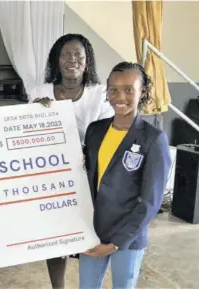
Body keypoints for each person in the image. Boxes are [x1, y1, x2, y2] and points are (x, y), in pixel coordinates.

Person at [29, 34, 114, 289]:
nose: (72, 59)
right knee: (55, 238)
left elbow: (106, 135)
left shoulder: (99, 94)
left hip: (89, 177)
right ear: (57, 60)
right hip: (50, 178)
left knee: (88, 235)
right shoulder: (40, 92)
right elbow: (27, 134)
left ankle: (89, 285)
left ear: (87, 62)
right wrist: (33, 112)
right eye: (66, 54)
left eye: (79, 55)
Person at [80, 62, 171, 288]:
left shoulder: (153, 139)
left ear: (143, 93)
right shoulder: (95, 130)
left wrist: (117, 243)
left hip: (128, 236)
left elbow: (150, 201)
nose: (120, 96)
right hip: (94, 230)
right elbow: (83, 181)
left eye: (129, 89)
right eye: (113, 89)